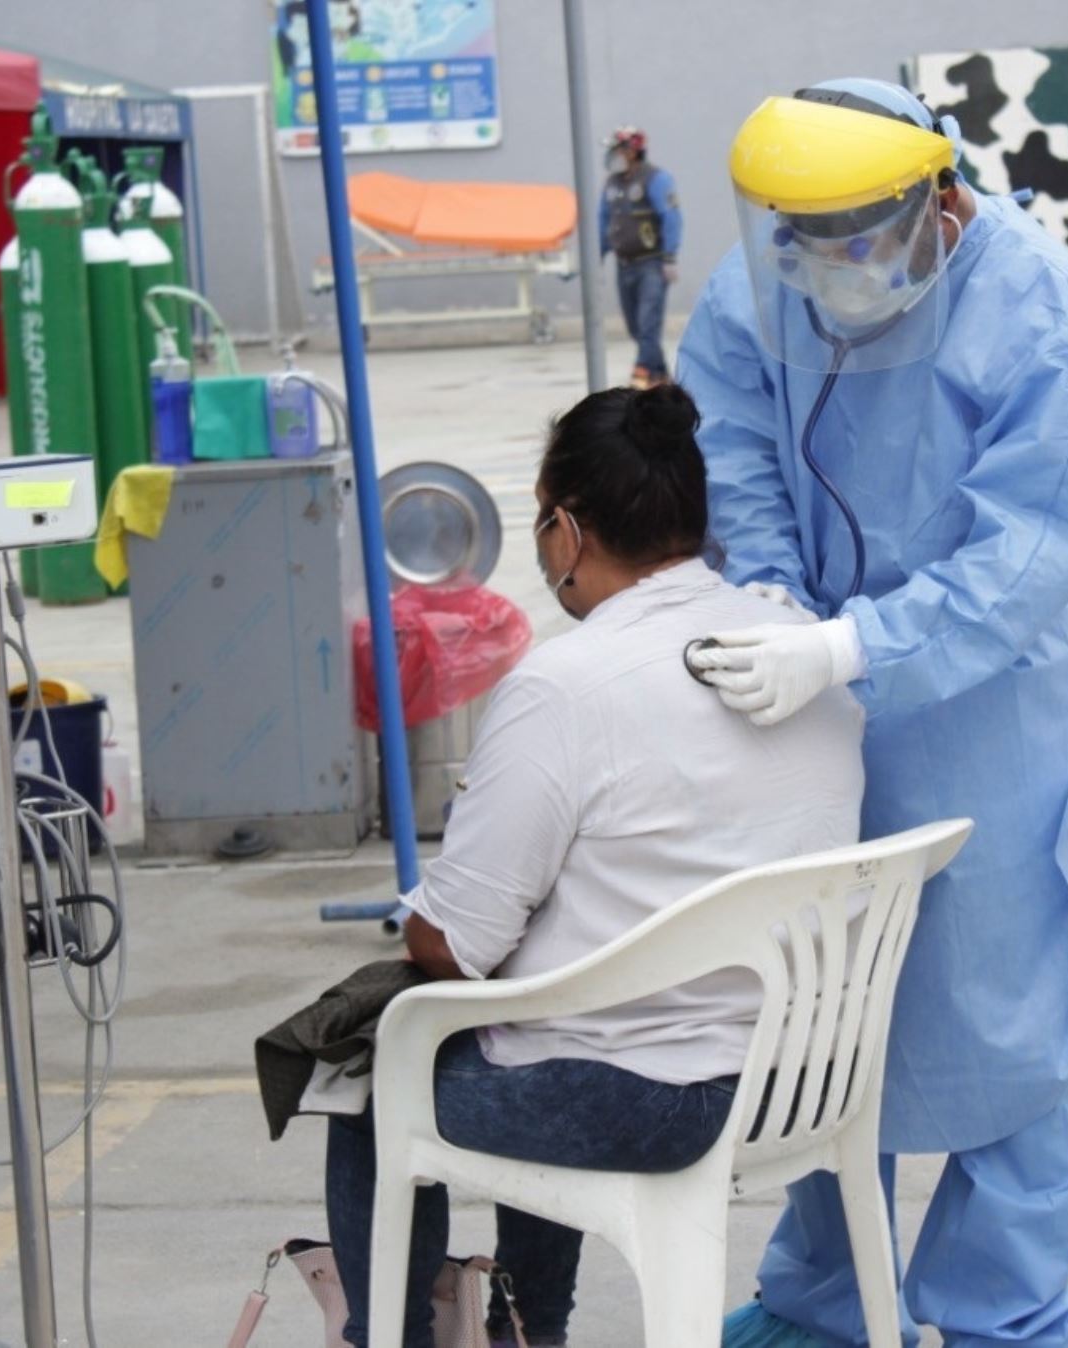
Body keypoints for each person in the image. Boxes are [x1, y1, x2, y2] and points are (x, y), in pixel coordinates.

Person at [679, 79, 1068, 1348]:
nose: (835, 270)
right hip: (818, 724)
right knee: (835, 1022)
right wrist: (774, 602)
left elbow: (1033, 551)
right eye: (807, 242)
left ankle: (1003, 1312)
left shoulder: (1043, 313)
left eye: (861, 240)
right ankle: (823, 1305)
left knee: (1012, 1027)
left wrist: (853, 645)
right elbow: (737, 449)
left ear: (939, 199)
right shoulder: (755, 289)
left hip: (996, 730)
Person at [324, 383, 866, 1348]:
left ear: (565, 532)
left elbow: (454, 943)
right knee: (538, 1021)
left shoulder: (563, 688)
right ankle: (528, 1329)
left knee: (381, 1071)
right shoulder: (798, 644)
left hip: (657, 1101)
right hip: (807, 1072)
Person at [598, 126, 683, 389]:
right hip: (624, 265)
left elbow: (672, 218)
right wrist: (596, 256)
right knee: (635, 328)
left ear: (632, 151)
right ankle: (662, 378)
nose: (613, 156)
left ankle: (641, 376)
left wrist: (670, 257)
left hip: (652, 264)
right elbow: (603, 221)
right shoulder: (612, 184)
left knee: (648, 324)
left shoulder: (656, 179)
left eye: (617, 150)